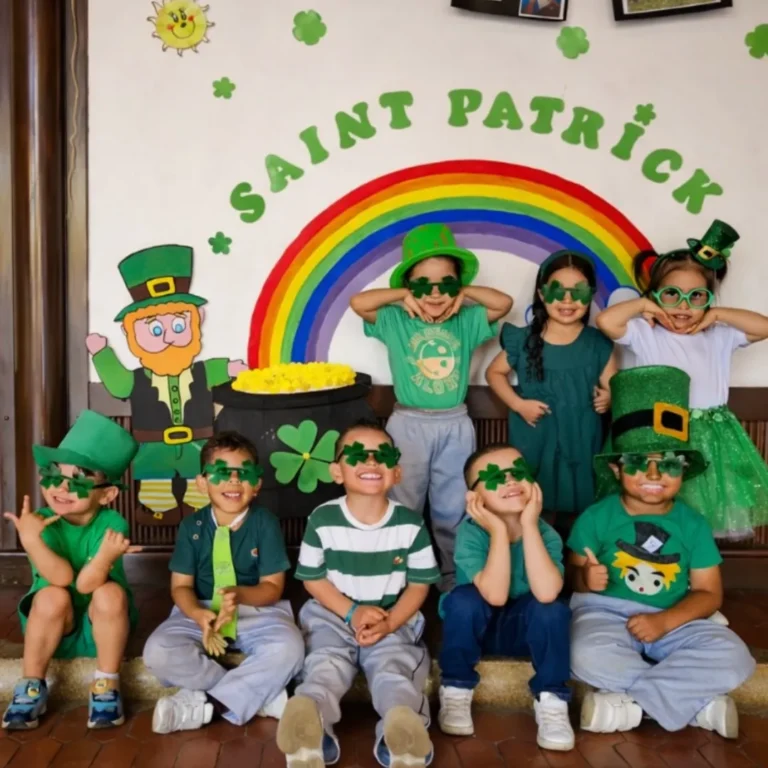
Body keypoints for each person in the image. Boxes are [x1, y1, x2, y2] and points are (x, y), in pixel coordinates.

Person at [568, 366, 755, 737]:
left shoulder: (693, 524)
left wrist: (665, 622)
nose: (653, 475)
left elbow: (709, 593)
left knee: (736, 656)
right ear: (617, 469)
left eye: (668, 463)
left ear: (682, 470)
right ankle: (698, 706)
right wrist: (585, 578)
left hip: (675, 618)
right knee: (582, 652)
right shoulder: (595, 517)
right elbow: (573, 578)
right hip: (604, 615)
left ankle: (632, 708)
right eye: (638, 462)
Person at [351, 223, 513, 590]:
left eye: (446, 284)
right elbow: (359, 303)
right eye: (423, 285)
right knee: (402, 502)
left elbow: (503, 303)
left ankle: (452, 578)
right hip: (407, 424)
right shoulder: (394, 319)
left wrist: (465, 293)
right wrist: (401, 296)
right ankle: (401, 575)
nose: (435, 293)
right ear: (410, 287)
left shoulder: (466, 320)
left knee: (452, 506)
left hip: (455, 423)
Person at [277, 422, 441, 768]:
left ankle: (401, 729)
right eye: (356, 455)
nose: (370, 461)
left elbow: (419, 585)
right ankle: (309, 725)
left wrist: (391, 622)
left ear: (396, 472)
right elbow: (313, 579)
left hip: (390, 616)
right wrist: (352, 612)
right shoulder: (322, 519)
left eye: (383, 455)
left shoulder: (411, 524)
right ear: (337, 472)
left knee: (393, 668)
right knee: (325, 663)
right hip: (332, 614)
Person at [596, 220, 768, 539]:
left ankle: (697, 562)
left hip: (710, 438)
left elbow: (764, 326)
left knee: (702, 514)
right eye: (671, 295)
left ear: (709, 298)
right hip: (657, 435)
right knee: (657, 508)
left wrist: (717, 315)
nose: (684, 306)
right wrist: (643, 304)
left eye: (697, 296)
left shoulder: (719, 335)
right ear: (657, 296)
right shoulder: (645, 333)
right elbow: (606, 321)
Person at [143, 431, 303, 733]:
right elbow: (180, 587)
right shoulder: (192, 526)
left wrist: (239, 595)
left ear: (257, 484)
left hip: (255, 610)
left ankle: (205, 703)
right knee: (158, 651)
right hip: (201, 610)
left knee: (290, 647)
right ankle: (257, 696)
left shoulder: (265, 523)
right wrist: (197, 614)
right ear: (202, 483)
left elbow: (272, 588)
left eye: (244, 473)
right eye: (221, 472)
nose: (233, 481)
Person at [86, 245, 247, 524]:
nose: (168, 337)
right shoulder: (137, 378)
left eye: (178, 325)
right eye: (155, 329)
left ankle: (198, 509)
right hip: (153, 447)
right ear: (129, 331)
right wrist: (102, 354)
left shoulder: (202, 371)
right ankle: (157, 510)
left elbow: (218, 369)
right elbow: (119, 385)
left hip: (197, 445)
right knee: (155, 483)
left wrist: (232, 369)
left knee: (198, 482)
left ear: (198, 320)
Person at [2, 410, 139, 730]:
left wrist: (105, 558)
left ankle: (106, 683)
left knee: (109, 592)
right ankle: (31, 684)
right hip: (52, 626)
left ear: (107, 494)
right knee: (52, 596)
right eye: (54, 475)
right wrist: (30, 540)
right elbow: (61, 578)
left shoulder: (112, 524)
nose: (62, 488)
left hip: (102, 627)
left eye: (78, 479)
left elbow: (87, 585)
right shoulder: (40, 523)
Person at [437, 444, 573, 751]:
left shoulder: (546, 533)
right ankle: (456, 687)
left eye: (517, 472)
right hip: (479, 632)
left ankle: (552, 699)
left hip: (526, 633)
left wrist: (529, 524)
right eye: (495, 477)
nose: (510, 481)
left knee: (552, 609)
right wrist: (498, 531)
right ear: (474, 497)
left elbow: (547, 592)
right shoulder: (471, 534)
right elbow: (495, 596)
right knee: (463, 600)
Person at [486, 251, 616, 539]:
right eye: (558, 291)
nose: (567, 300)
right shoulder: (524, 339)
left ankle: (578, 559)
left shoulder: (597, 343)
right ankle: (536, 556)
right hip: (536, 435)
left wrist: (608, 397)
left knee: (581, 503)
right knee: (534, 500)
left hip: (581, 435)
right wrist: (518, 404)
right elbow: (494, 373)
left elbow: (613, 384)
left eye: (578, 292)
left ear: (590, 295)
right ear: (542, 294)